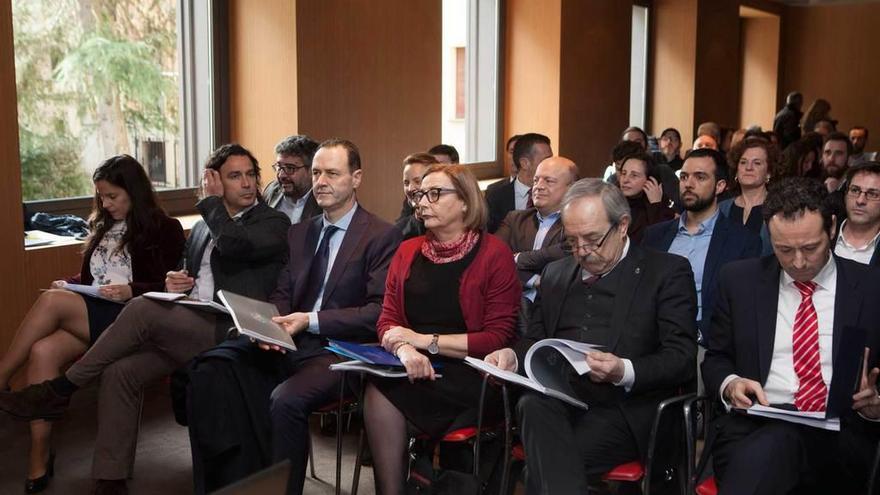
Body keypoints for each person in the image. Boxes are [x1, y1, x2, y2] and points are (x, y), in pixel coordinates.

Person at [0, 144, 290, 495]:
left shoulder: (273, 221)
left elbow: (236, 246)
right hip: (190, 324)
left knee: (141, 308)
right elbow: (189, 274)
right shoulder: (200, 229)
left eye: (250, 175)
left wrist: (212, 203)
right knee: (119, 372)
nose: (246, 184)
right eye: (234, 176)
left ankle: (62, 389)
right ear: (213, 180)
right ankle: (110, 478)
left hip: (233, 330)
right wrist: (175, 281)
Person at [183, 138, 401, 495]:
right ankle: (231, 484)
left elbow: (376, 313)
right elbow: (282, 294)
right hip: (287, 341)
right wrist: (267, 327)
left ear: (356, 178)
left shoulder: (381, 235)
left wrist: (309, 320)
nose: (321, 181)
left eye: (332, 173)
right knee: (210, 370)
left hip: (339, 351)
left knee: (286, 400)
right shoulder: (299, 232)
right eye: (316, 173)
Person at [483, 178, 697, 494]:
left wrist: (623, 370)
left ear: (622, 226)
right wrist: (514, 355)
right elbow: (536, 340)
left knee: (544, 468)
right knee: (530, 405)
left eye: (593, 239)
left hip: (625, 409)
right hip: (562, 398)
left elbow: (681, 357)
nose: (583, 251)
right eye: (573, 240)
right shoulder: (556, 274)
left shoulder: (665, 272)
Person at [0, 155, 184, 494]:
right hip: (96, 313)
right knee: (43, 350)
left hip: (132, 318)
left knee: (51, 303)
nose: (105, 202)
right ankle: (39, 456)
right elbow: (97, 277)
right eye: (101, 196)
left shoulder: (164, 227)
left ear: (134, 191)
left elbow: (172, 284)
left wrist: (132, 289)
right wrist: (70, 283)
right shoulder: (102, 225)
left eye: (113, 195)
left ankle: (2, 376)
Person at [702, 177, 880, 494]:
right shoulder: (740, 281)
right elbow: (716, 359)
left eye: (810, 248)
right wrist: (731, 384)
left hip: (838, 435)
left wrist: (876, 405)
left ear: (832, 228)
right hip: (754, 428)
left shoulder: (870, 288)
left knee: (780, 446)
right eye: (784, 250)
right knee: (776, 443)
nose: (798, 262)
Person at [365, 163, 521, 495]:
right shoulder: (408, 251)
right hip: (413, 364)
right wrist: (405, 349)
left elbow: (496, 338)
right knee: (377, 388)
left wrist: (423, 341)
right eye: (420, 194)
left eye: (435, 193)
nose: (422, 201)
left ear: (466, 201)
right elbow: (387, 320)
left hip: (473, 372)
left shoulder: (495, 253)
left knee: (389, 398)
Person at [496, 156, 578, 334]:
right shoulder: (515, 218)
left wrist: (517, 258)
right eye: (536, 180)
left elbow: (566, 254)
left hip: (556, 311)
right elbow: (494, 261)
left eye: (549, 181)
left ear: (571, 188)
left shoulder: (576, 224)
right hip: (510, 307)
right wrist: (533, 280)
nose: (538, 186)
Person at [719, 137, 780, 254]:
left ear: (768, 172)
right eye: (743, 162)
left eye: (757, 163)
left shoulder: (779, 208)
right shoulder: (721, 208)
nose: (748, 167)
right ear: (736, 170)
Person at [485, 133, 553, 233]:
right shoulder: (495, 196)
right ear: (525, 163)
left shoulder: (555, 193)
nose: (551, 164)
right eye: (545, 160)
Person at [262, 135, 322, 223]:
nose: (282, 175)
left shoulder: (324, 199)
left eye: (290, 168)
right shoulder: (271, 190)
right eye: (279, 167)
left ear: (312, 170)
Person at [617, 152, 674, 244]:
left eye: (634, 175)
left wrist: (655, 205)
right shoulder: (612, 202)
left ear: (650, 180)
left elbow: (658, 242)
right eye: (624, 173)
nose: (625, 180)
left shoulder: (661, 208)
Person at [835, 162, 880, 265]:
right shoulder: (824, 235)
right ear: (845, 194)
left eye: (872, 194)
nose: (860, 201)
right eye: (855, 190)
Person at [394, 152, 439, 239]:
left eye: (417, 181)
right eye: (406, 183)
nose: (410, 188)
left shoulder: (448, 225)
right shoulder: (397, 232)